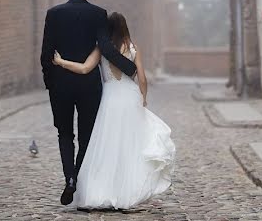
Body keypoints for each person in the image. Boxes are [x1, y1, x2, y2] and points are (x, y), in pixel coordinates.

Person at [53, 11, 175, 210]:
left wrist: (61, 62)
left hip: (109, 99)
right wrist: (144, 98)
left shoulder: (102, 49)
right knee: (128, 146)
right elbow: (142, 78)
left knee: (105, 145)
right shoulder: (134, 48)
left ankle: (98, 192)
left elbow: (84, 68)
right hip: (130, 98)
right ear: (125, 28)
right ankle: (124, 193)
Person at [40, 0, 138, 205]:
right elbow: (105, 47)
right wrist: (129, 67)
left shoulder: (53, 14)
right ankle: (78, 175)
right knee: (87, 137)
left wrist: (49, 82)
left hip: (60, 85)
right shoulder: (98, 14)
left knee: (64, 134)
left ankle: (70, 179)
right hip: (88, 87)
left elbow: (46, 53)